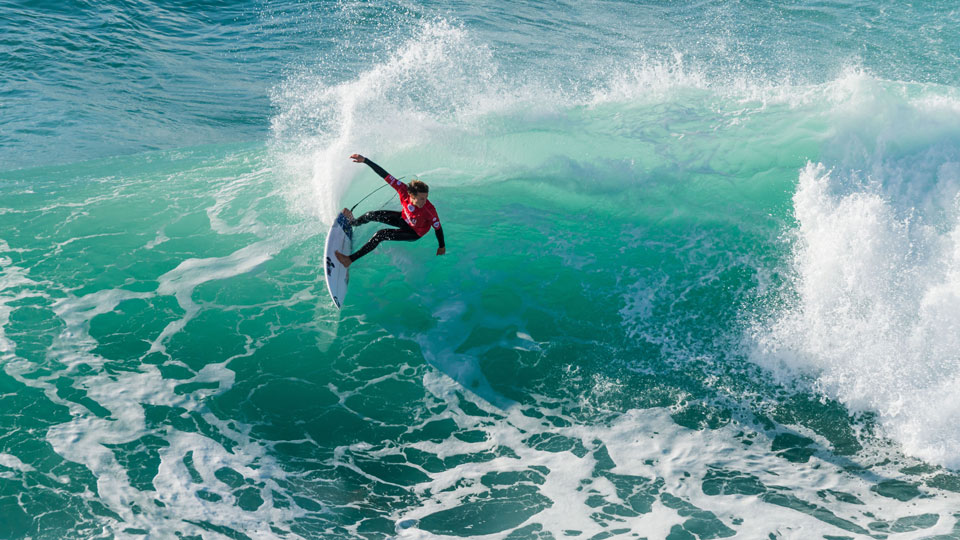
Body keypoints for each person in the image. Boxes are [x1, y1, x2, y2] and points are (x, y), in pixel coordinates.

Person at [335, 154, 445, 268]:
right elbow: (384, 174)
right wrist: (365, 161)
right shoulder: (403, 190)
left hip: (414, 232)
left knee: (380, 235)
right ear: (411, 195)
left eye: (426, 197)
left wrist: (441, 246)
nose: (425, 201)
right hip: (404, 219)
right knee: (371, 215)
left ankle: (349, 260)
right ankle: (353, 222)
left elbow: (438, 228)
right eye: (422, 198)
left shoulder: (429, 210)